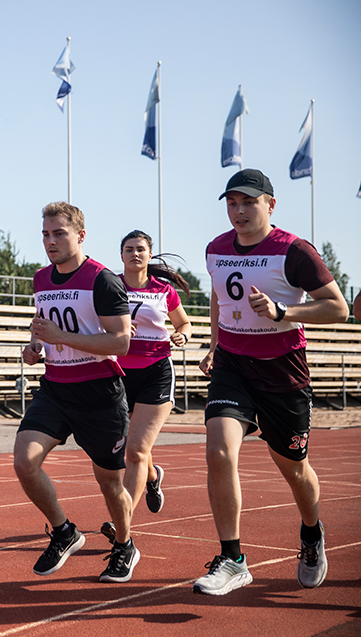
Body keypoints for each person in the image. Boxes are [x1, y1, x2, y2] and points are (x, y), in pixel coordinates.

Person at [195, 169, 348, 595]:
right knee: (220, 448)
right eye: (232, 203)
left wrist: (284, 312)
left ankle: (312, 533)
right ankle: (232, 558)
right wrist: (214, 343)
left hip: (283, 372)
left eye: (248, 202)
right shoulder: (216, 249)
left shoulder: (295, 251)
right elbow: (218, 295)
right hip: (233, 367)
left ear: (270, 205)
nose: (239, 211)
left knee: (295, 471)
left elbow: (337, 309)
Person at [15, 202, 137, 583]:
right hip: (55, 388)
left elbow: (121, 342)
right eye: (45, 235)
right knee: (24, 461)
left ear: (80, 235)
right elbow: (45, 328)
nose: (50, 242)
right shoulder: (40, 279)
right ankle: (65, 532)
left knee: (110, 484)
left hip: (99, 393)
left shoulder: (102, 279)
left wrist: (60, 338)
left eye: (59, 234)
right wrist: (36, 347)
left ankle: (125, 545)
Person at [100, 230, 192, 545]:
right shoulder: (109, 286)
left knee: (136, 450)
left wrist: (184, 335)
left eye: (141, 249)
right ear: (121, 255)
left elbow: (183, 323)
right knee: (135, 448)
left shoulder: (164, 290)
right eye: (129, 249)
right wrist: (118, 327)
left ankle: (120, 520)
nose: (135, 254)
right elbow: (96, 323)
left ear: (149, 255)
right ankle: (152, 477)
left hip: (156, 371)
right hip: (119, 373)